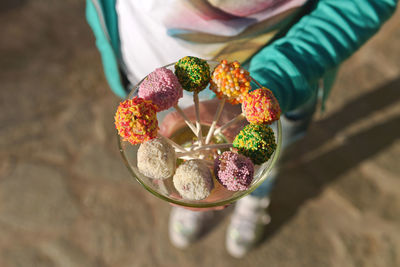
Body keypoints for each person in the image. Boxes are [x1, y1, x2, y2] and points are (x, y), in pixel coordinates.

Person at [86, 0, 397, 257]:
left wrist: (269, 84)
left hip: (268, 90)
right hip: (146, 74)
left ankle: (254, 198)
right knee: (185, 165)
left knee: (258, 160)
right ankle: (199, 196)